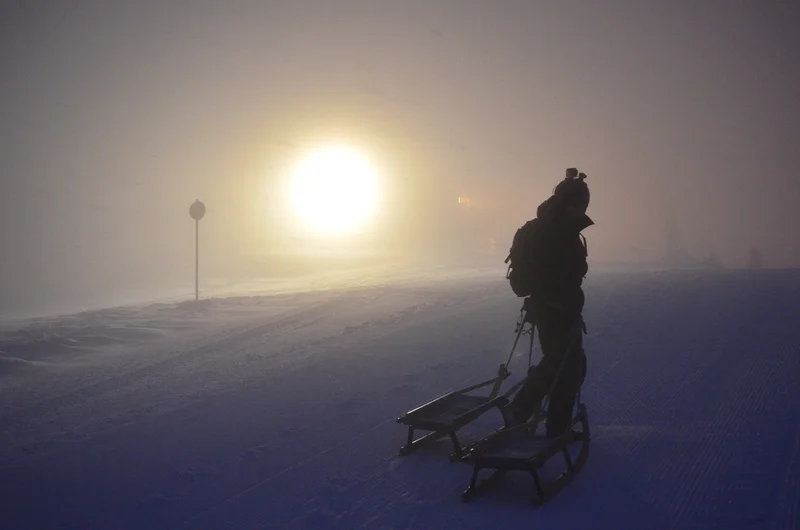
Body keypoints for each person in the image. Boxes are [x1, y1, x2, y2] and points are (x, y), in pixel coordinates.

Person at [501, 168, 594, 438]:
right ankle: (526, 411)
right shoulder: (558, 232)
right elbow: (559, 275)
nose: (582, 208)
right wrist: (565, 308)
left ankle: (550, 423)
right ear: (568, 203)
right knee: (566, 363)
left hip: (547, 307)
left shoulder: (546, 227)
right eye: (579, 203)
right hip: (557, 309)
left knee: (564, 363)